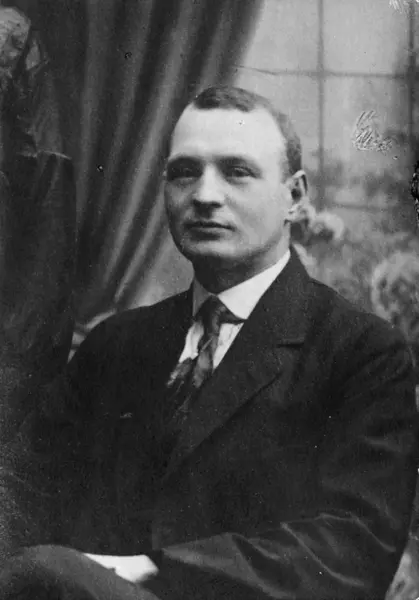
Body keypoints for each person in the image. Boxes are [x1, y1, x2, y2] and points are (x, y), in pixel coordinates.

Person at [0, 85, 417, 600]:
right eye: (184, 172)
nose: (204, 195)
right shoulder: (115, 345)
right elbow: (20, 492)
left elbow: (351, 549)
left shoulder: (362, 354)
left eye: (237, 171)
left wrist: (146, 570)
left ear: (294, 197)